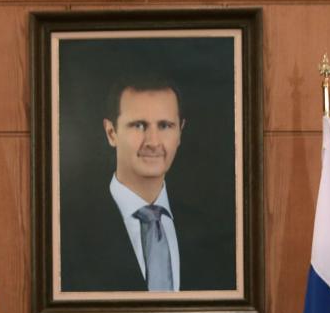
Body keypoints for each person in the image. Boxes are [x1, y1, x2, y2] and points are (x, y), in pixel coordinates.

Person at [58, 75, 236, 293]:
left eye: (165, 125)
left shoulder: (213, 234)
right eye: (139, 125)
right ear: (111, 132)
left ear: (180, 131)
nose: (153, 142)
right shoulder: (65, 233)